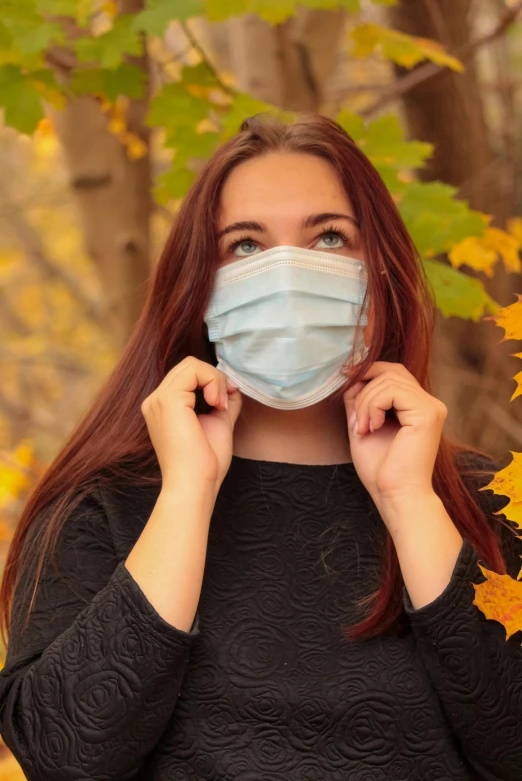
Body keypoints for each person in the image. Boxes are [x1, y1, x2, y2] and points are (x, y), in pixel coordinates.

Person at [0, 113, 520, 781]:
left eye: (329, 237)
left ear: (380, 273)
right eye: (245, 246)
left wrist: (410, 497)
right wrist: (187, 494)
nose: (286, 273)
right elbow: (66, 756)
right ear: (200, 284)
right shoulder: (101, 509)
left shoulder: (493, 501)